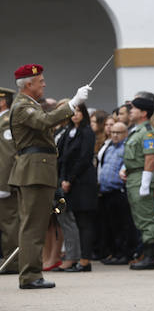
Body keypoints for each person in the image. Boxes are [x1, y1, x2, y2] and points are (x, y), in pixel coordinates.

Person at [8, 64, 90, 289]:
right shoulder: (23, 106)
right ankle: (30, 276)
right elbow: (44, 122)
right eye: (40, 81)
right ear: (28, 84)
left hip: (37, 169)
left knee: (34, 224)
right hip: (34, 170)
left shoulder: (29, 105)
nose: (44, 84)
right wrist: (73, 103)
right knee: (34, 226)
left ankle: (31, 274)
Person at [54, 103, 97, 273]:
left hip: (83, 182)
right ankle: (76, 258)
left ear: (84, 113)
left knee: (84, 221)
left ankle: (85, 260)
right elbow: (62, 157)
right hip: (68, 181)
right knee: (76, 221)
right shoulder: (67, 132)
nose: (75, 115)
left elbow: (84, 157)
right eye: (72, 112)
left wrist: (70, 179)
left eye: (78, 111)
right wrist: (62, 178)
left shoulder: (86, 131)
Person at [121, 93, 154, 270]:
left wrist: (145, 183)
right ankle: (146, 253)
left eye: (134, 109)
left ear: (144, 113)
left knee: (146, 218)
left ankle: (151, 257)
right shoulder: (136, 131)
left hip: (141, 177)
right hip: (134, 176)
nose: (131, 111)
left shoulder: (147, 133)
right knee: (139, 218)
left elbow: (150, 159)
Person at [97, 120, 133, 265]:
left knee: (123, 224)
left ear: (126, 133)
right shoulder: (109, 147)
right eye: (113, 132)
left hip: (119, 190)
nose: (115, 135)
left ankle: (125, 254)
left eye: (118, 133)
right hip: (106, 191)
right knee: (111, 225)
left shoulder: (127, 147)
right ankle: (115, 252)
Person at [0, 87, 19, 275]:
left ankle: (13, 262)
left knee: (9, 223)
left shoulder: (6, 122)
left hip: (4, 182)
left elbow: (7, 155)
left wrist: (4, 184)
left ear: (3, 101)